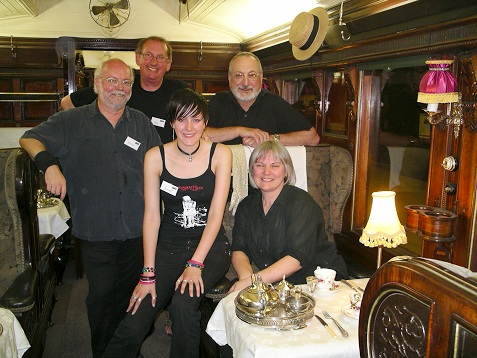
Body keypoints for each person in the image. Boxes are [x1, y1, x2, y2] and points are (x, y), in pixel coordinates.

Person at [19, 58, 162, 358]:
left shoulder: (141, 123)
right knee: (100, 299)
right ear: (96, 84)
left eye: (125, 83)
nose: (118, 88)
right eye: (111, 80)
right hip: (97, 231)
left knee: (132, 297)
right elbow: (29, 138)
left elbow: (160, 165)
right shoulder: (72, 121)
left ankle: (126, 351)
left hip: (138, 231)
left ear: (131, 90)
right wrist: (50, 166)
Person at [102, 88, 232, 358]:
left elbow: (216, 215)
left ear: (205, 122)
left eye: (196, 119)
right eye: (181, 119)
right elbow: (151, 216)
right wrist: (147, 273)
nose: (189, 127)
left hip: (210, 247)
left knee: (184, 307)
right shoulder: (155, 156)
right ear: (171, 122)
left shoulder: (221, 154)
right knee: (139, 308)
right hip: (169, 245)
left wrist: (195, 264)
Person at [229, 140, 348, 293]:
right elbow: (239, 248)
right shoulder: (246, 206)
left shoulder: (302, 203)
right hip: (274, 282)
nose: (266, 171)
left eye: (275, 165)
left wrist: (253, 281)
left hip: (315, 282)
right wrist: (247, 280)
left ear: (286, 171)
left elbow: (296, 259)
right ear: (251, 171)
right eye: (259, 165)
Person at [60, 36, 188, 143]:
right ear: (138, 58)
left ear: (168, 64)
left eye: (160, 57)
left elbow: (199, 124)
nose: (153, 62)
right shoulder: (122, 86)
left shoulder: (178, 91)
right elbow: (67, 103)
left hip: (163, 164)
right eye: (148, 55)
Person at [204, 52, 320, 147]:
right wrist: (240, 130)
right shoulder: (219, 101)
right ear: (229, 78)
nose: (245, 83)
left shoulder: (274, 102)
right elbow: (199, 134)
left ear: (261, 77)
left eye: (252, 75)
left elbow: (313, 138)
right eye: (239, 75)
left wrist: (269, 140)